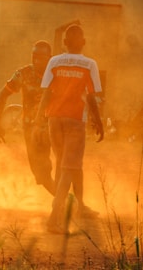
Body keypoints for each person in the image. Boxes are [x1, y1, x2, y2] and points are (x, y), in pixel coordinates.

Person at [34, 24, 104, 234]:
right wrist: (98, 121)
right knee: (68, 167)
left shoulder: (54, 61)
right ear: (83, 42)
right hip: (74, 120)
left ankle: (80, 206)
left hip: (53, 119)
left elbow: (46, 93)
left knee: (69, 164)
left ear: (64, 43)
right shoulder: (89, 64)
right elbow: (92, 97)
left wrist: (39, 121)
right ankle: (54, 218)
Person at [0, 40, 56, 196]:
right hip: (31, 130)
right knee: (40, 173)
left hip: (52, 127)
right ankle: (69, 201)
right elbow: (3, 95)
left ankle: (71, 202)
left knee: (55, 168)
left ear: (50, 57)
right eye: (34, 56)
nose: (37, 60)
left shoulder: (56, 75)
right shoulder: (24, 73)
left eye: (41, 57)